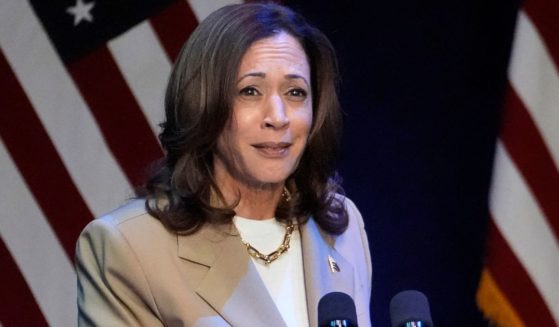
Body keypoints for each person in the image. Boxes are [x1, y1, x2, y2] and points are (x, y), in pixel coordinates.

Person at [75, 3, 372, 326]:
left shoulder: (341, 225)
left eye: (295, 92)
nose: (278, 117)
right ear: (203, 104)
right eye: (250, 91)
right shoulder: (129, 247)